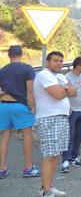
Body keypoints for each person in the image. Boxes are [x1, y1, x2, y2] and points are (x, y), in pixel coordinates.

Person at [34, 51, 76, 197]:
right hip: (49, 118)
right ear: (48, 62)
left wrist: (64, 89)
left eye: (61, 61)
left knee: (56, 155)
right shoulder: (43, 75)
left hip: (62, 118)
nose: (59, 63)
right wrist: (65, 89)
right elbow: (58, 95)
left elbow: (74, 92)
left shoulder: (60, 76)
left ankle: (48, 187)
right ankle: (46, 192)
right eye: (56, 60)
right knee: (50, 155)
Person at [0, 45, 40, 179]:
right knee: (27, 135)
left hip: (4, 105)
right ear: (21, 54)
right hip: (20, 105)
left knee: (5, 136)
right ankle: (28, 168)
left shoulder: (2, 70)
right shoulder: (27, 68)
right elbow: (30, 90)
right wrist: (33, 107)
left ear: (9, 55)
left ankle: (2, 168)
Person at [61, 57, 81, 173]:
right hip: (71, 110)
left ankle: (74, 157)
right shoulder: (67, 77)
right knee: (69, 135)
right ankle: (65, 159)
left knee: (78, 134)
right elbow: (64, 93)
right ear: (78, 66)